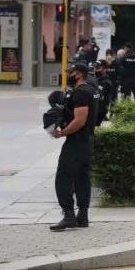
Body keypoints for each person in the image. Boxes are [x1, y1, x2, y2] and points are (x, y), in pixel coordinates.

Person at [50, 62, 99, 231]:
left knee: (63, 176)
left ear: (78, 74)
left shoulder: (80, 93)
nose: (68, 75)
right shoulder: (92, 90)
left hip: (77, 140)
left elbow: (79, 121)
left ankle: (69, 215)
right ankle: (82, 216)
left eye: (70, 72)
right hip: (88, 139)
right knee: (82, 177)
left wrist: (61, 133)